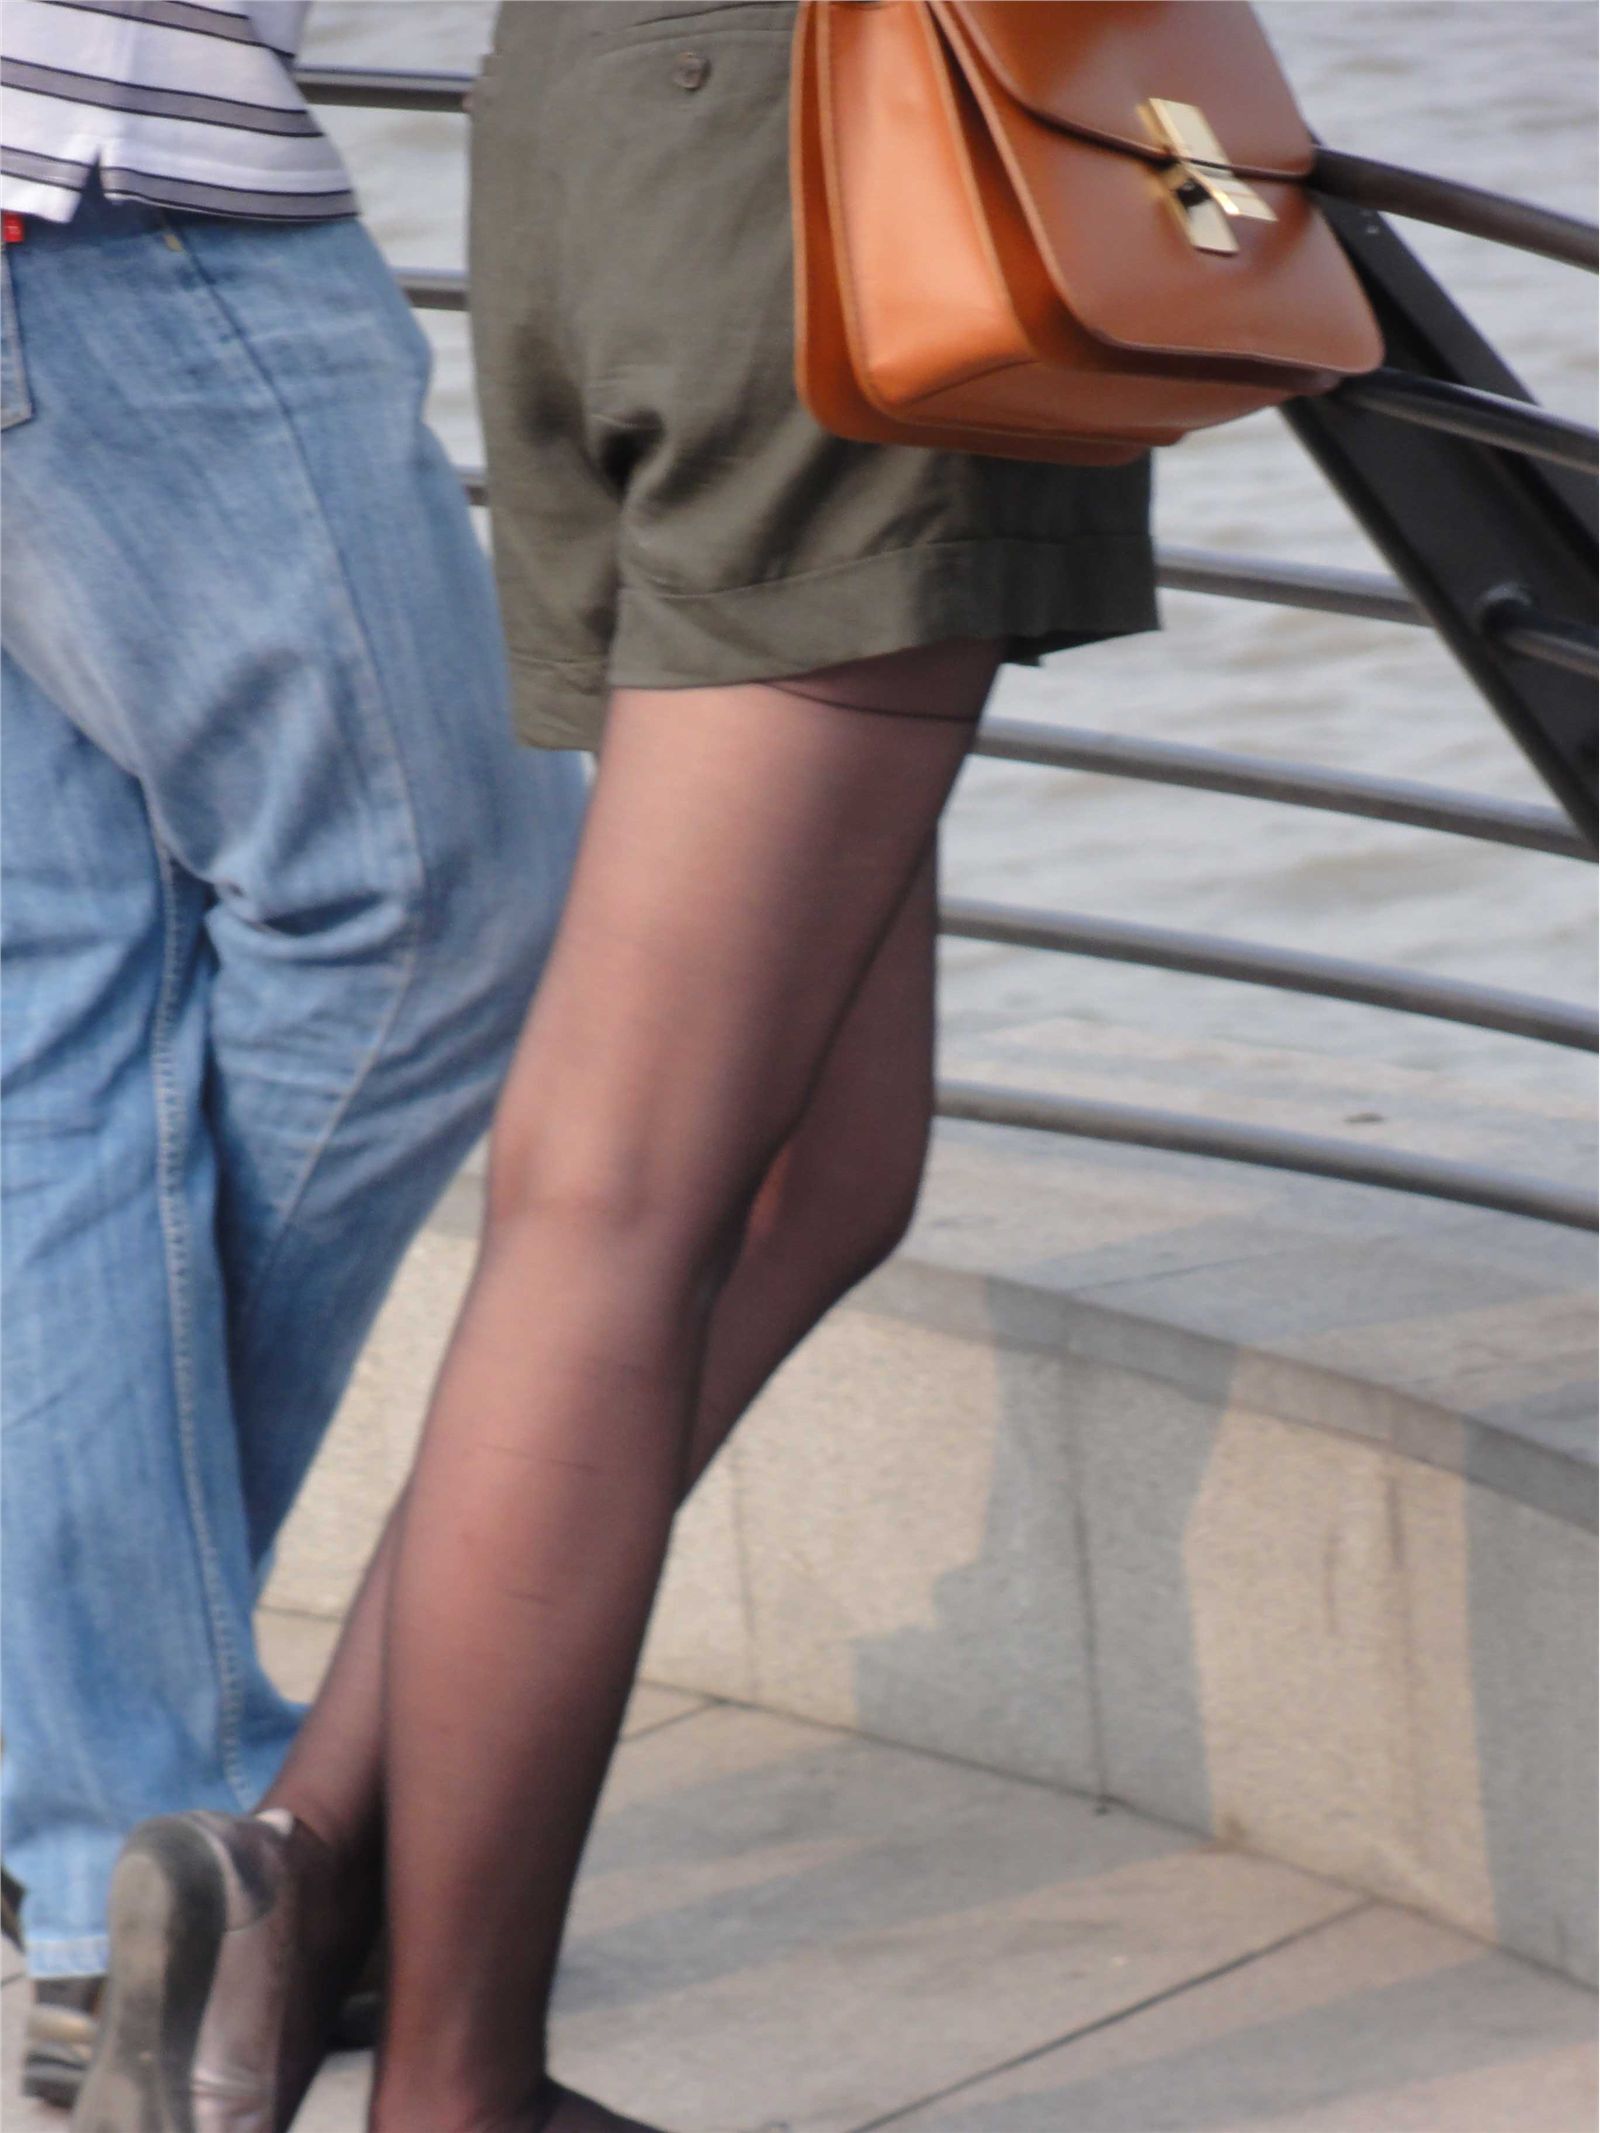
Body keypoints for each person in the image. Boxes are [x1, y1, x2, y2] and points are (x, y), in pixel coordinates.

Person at [75, 6, 1157, 2130]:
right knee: (620, 1201)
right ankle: (457, 2090)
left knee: (807, 1176)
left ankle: (275, 1887)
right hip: (838, 152)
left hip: (615, 127)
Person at [0, 0, 585, 2107]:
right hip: (99, 189)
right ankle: (85, 1755)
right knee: (441, 902)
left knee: (71, 1023)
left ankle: (101, 1859)